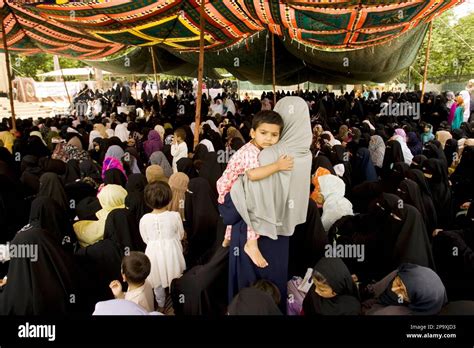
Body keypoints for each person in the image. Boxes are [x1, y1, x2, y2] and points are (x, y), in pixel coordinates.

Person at [216, 110, 294, 268]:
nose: (268, 138)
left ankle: (228, 236)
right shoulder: (251, 153)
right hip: (229, 193)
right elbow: (252, 175)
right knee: (255, 202)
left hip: (230, 187)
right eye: (263, 133)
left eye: (274, 135)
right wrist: (278, 166)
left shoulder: (258, 149)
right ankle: (251, 243)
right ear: (252, 132)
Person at [139, 181, 186, 308]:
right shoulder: (175, 216)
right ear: (169, 198)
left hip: (153, 253)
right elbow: (180, 234)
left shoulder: (144, 219)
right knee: (174, 277)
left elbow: (145, 239)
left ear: (148, 201)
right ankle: (176, 302)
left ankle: (160, 303)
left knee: (156, 281)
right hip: (172, 251)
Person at [362, 263, 447, 315]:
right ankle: (373, 290)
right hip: (419, 281)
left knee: (377, 313)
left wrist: (376, 303)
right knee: (396, 276)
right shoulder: (407, 270)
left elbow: (393, 297)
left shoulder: (425, 307)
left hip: (424, 304)